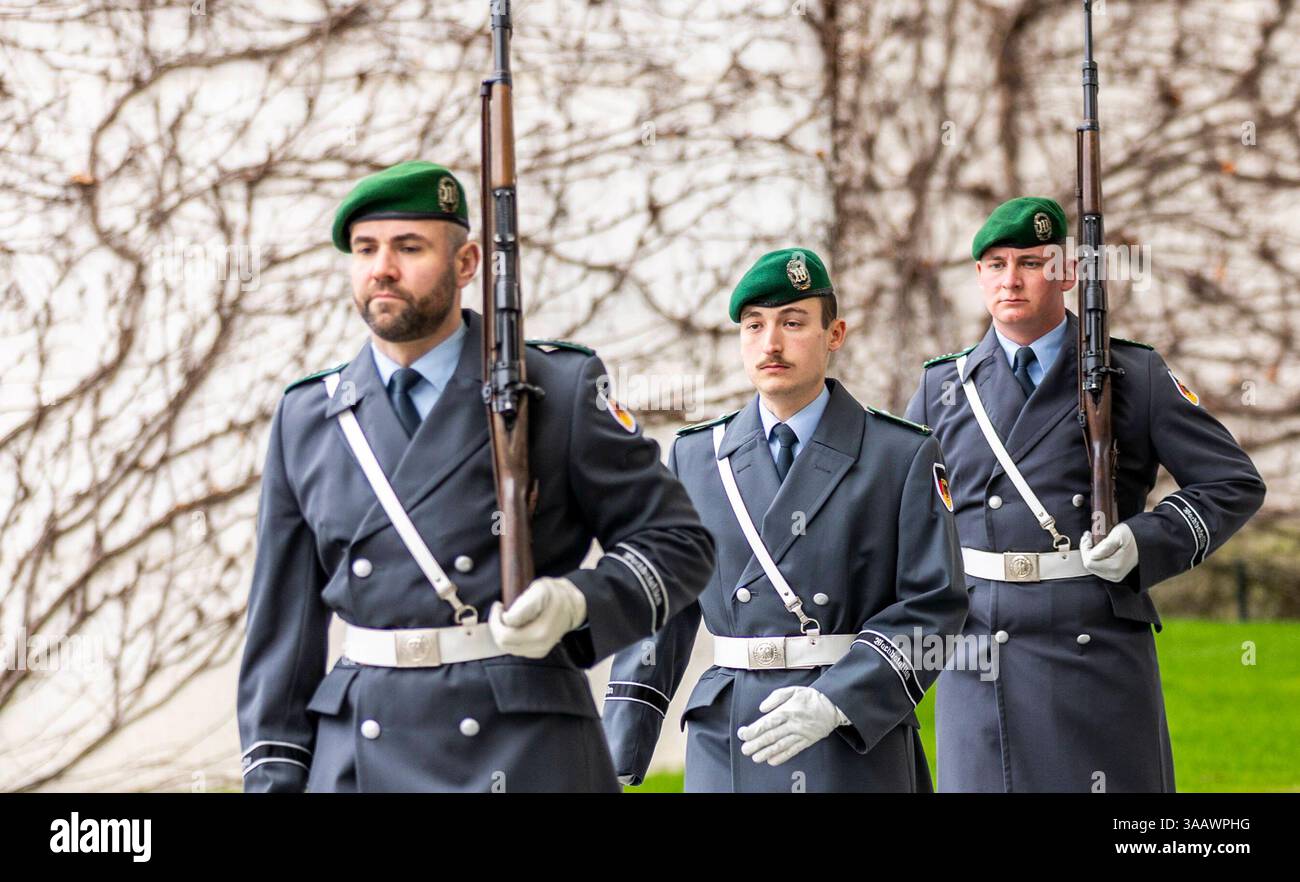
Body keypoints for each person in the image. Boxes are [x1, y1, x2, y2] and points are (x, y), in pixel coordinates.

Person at [236, 160, 715, 792]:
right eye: (365, 249)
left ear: (466, 265)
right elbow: (283, 632)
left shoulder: (556, 389)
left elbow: (678, 545)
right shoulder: (311, 415)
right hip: (360, 752)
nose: (382, 267)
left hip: (521, 748)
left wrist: (579, 602)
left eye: (409, 248)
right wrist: (273, 781)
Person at [906, 196, 1266, 792]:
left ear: (1068, 273)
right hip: (979, 653)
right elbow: (906, 513)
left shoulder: (1134, 375)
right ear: (978, 278)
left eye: (1030, 262)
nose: (1011, 279)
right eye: (995, 265)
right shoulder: (944, 386)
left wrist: (1147, 538)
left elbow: (1233, 481)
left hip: (1091, 643)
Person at [601, 248, 968, 791]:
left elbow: (933, 603)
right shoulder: (697, 456)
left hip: (848, 734)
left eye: (793, 323)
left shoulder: (899, 454)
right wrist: (615, 749)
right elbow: (662, 611)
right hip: (729, 733)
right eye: (754, 326)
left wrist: (837, 699)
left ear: (834, 333)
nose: (770, 344)